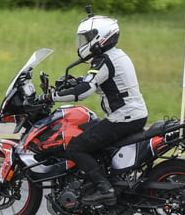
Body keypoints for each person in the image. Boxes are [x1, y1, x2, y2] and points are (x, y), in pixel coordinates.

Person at [41, 13, 148, 205]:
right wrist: (74, 82)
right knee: (88, 131)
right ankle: (99, 179)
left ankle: (105, 189)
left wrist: (51, 96)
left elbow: (84, 91)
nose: (84, 43)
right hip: (132, 115)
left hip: (124, 118)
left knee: (75, 146)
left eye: (88, 38)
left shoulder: (104, 60)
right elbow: (93, 79)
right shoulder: (116, 55)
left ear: (101, 37)